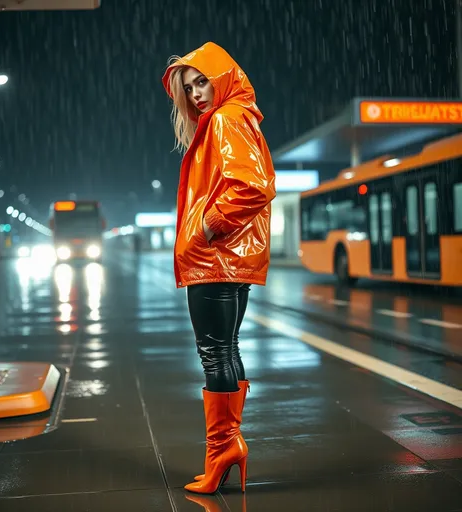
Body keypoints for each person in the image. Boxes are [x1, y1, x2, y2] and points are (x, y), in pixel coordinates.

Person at [162, 41, 276, 495]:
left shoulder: (228, 119)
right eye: (188, 89)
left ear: (222, 76)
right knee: (224, 350)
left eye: (201, 81)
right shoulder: (230, 118)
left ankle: (223, 450)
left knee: (215, 353)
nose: (195, 95)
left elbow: (253, 185)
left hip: (217, 258)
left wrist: (209, 226)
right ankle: (226, 448)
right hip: (226, 259)